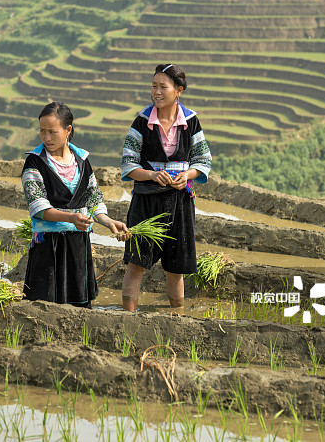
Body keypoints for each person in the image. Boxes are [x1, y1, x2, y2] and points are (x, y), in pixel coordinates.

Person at [120, 64, 212, 311]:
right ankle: (126, 318)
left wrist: (187, 175)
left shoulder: (191, 121)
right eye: (154, 86)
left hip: (180, 202)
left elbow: (203, 161)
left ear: (178, 90)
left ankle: (177, 317)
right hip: (147, 203)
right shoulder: (141, 122)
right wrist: (150, 174)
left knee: (176, 268)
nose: (157, 92)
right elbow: (128, 164)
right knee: (137, 264)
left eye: (163, 87)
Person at [21, 102, 131, 307]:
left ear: (68, 130)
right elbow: (38, 207)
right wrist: (71, 217)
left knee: (79, 308)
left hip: (78, 245)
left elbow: (94, 198)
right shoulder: (35, 162)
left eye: (52, 132)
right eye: (42, 131)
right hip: (48, 247)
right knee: (44, 307)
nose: (46, 138)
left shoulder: (82, 160)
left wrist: (108, 222)